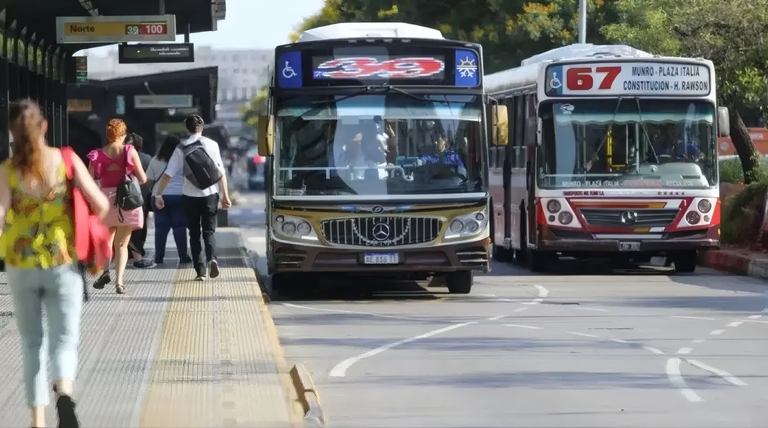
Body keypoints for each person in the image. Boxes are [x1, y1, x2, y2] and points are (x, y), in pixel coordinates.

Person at [0, 99, 109, 428]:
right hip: (62, 262)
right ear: (44, 126)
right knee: (64, 339)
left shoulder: (7, 170)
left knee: (32, 342)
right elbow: (102, 204)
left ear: (11, 131)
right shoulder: (66, 160)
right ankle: (64, 392)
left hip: (20, 264)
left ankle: (37, 421)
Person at [153, 115, 231, 280]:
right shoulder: (212, 144)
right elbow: (221, 172)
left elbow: (168, 175)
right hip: (210, 194)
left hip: (190, 196)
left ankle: (200, 272)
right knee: (209, 231)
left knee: (194, 233)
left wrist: (159, 194)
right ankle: (212, 259)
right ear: (202, 127)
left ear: (187, 128)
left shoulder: (181, 148)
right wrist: (226, 196)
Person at [87, 119, 148, 294]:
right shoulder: (129, 151)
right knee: (122, 244)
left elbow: (90, 180)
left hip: (106, 202)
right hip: (126, 200)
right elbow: (143, 179)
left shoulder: (96, 155)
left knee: (107, 241)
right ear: (123, 134)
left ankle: (106, 272)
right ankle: (119, 282)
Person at [146, 136, 192, 264]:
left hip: (160, 196)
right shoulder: (184, 159)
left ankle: (158, 257)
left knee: (160, 228)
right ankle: (183, 256)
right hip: (179, 196)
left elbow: (148, 180)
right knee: (180, 227)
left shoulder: (155, 160)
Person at [125, 132, 155, 268]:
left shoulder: (120, 157)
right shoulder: (146, 159)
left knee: (125, 226)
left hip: (123, 195)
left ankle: (127, 252)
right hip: (142, 196)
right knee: (140, 226)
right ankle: (138, 251)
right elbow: (148, 179)